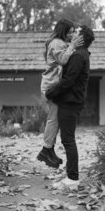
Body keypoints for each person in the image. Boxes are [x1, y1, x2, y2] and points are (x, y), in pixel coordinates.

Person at [45, 25, 95, 189]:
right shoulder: (80, 54)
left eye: (76, 33)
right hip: (71, 101)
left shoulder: (77, 56)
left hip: (70, 102)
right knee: (67, 139)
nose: (73, 35)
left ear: (80, 39)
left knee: (68, 140)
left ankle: (73, 178)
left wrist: (51, 92)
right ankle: (69, 174)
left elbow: (67, 82)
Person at [37, 19, 83, 169]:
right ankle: (46, 149)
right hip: (51, 86)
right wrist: (73, 46)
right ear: (63, 31)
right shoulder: (57, 43)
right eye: (69, 32)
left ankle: (48, 150)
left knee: (54, 118)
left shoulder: (59, 43)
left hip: (53, 85)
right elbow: (63, 60)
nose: (71, 34)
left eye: (73, 32)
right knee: (53, 119)